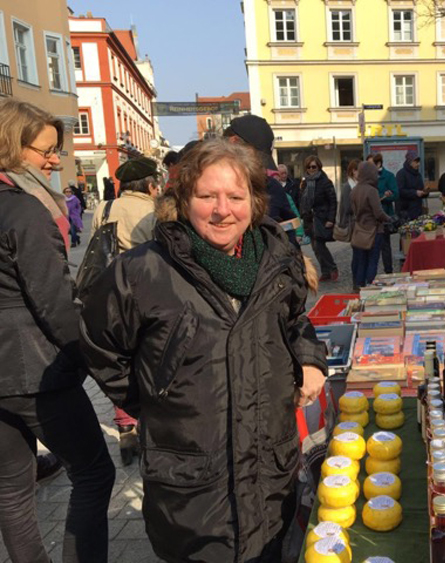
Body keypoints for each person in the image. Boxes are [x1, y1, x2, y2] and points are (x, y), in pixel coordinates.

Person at [80, 138, 328, 563]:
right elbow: (98, 341)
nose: (222, 210)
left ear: (254, 199)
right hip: (193, 485)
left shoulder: (276, 257)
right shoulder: (142, 270)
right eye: (206, 196)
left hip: (269, 470)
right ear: (182, 198)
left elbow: (294, 320)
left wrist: (308, 358)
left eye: (235, 196)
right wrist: (152, 398)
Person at [0, 98, 115, 562]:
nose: (53, 160)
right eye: (45, 150)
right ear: (11, 145)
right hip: (35, 373)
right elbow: (55, 303)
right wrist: (97, 361)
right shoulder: (25, 212)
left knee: (13, 490)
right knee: (93, 473)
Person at [90, 156, 159, 464]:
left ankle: (125, 427)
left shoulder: (104, 208)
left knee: (120, 355)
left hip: (110, 293)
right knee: (146, 357)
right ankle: (147, 422)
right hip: (147, 291)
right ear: (149, 184)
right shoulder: (153, 211)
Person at [223, 115, 298, 246]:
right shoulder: (201, 185)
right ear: (233, 142)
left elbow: (289, 229)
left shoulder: (271, 187)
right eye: (255, 157)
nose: (259, 165)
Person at [350, 161, 391, 288]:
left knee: (362, 260)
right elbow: (378, 213)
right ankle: (370, 286)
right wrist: (389, 218)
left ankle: (359, 285)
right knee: (373, 261)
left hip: (359, 230)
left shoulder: (355, 190)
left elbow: (354, 210)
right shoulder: (372, 190)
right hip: (374, 230)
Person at [300, 155, 338, 281]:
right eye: (309, 167)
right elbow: (302, 200)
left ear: (319, 167)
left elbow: (333, 201)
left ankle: (332, 268)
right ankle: (326, 271)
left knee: (319, 245)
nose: (312, 169)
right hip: (309, 219)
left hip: (321, 218)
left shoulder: (325, 182)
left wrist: (330, 219)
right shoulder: (305, 183)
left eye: (314, 167)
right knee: (315, 247)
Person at [370, 153, 399, 274]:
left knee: (385, 246)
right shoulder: (367, 178)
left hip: (384, 215)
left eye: (371, 165)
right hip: (370, 216)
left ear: (378, 164)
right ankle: (371, 273)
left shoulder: (388, 176)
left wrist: (383, 196)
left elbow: (395, 194)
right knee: (371, 246)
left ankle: (388, 271)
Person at [339, 159, 358, 290]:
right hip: (353, 224)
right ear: (352, 171)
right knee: (356, 254)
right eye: (357, 170)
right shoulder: (348, 186)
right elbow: (347, 208)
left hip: (360, 224)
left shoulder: (360, 184)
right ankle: (355, 282)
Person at [396, 150, 427, 221]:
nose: (418, 164)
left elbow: (420, 190)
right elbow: (400, 191)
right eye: (416, 162)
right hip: (405, 212)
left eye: (418, 162)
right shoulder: (401, 174)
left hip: (417, 211)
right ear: (410, 162)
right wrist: (415, 193)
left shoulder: (418, 175)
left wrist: (425, 193)